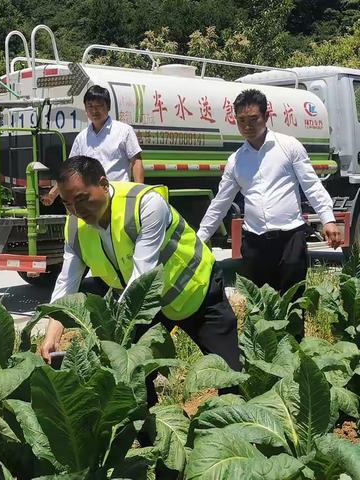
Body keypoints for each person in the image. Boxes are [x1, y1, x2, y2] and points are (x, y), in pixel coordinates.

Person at [40, 155, 241, 405]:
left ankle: (236, 430)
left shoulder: (145, 204)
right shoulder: (75, 227)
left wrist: (109, 327)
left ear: (103, 184)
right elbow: (66, 284)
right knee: (131, 373)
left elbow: (142, 275)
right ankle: (151, 437)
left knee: (230, 373)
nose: (77, 211)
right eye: (68, 204)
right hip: (146, 306)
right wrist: (52, 335)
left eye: (82, 199)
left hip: (195, 291)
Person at [197, 89, 342, 334]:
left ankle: (296, 358)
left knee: (294, 305)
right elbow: (220, 202)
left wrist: (328, 219)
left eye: (253, 119)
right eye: (241, 120)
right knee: (258, 309)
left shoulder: (289, 146)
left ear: (267, 115)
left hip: (290, 239)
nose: (247, 126)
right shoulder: (236, 160)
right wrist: (200, 237)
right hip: (254, 243)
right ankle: (263, 360)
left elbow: (311, 185)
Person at [41, 85, 144, 205]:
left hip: (118, 197)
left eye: (99, 106)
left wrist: (139, 192)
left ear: (108, 106)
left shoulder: (124, 131)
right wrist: (53, 194)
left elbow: (136, 161)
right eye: (90, 106)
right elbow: (70, 170)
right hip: (90, 201)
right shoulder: (81, 137)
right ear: (85, 109)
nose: (94, 111)